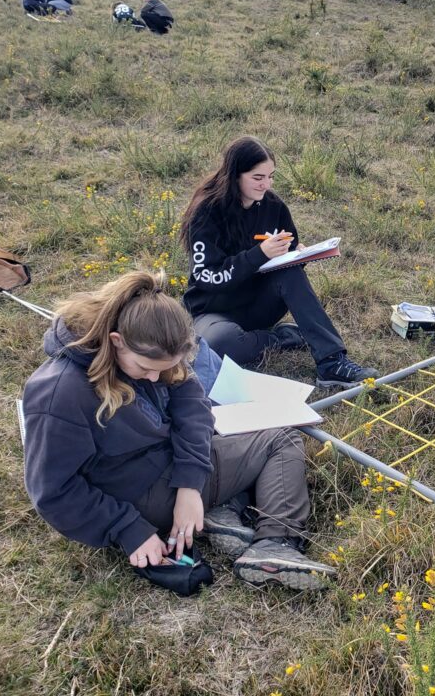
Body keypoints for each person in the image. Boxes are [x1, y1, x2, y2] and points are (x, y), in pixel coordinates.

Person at [22, 271, 338, 590]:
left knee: (225, 426)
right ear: (117, 341)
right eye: (144, 369)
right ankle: (276, 544)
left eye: (164, 370)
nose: (155, 379)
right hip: (134, 496)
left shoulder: (153, 350)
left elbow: (193, 405)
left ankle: (221, 511)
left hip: (166, 469)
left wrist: (190, 483)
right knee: (279, 439)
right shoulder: (60, 392)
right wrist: (128, 528)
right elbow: (53, 491)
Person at [179, 135, 378, 388]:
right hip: (214, 310)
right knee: (218, 346)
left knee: (291, 273)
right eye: (258, 178)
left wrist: (298, 254)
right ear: (234, 175)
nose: (266, 184)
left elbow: (289, 248)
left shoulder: (273, 206)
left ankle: (331, 362)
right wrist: (259, 253)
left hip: (259, 304)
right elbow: (207, 277)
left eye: (271, 176)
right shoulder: (207, 211)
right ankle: (286, 337)